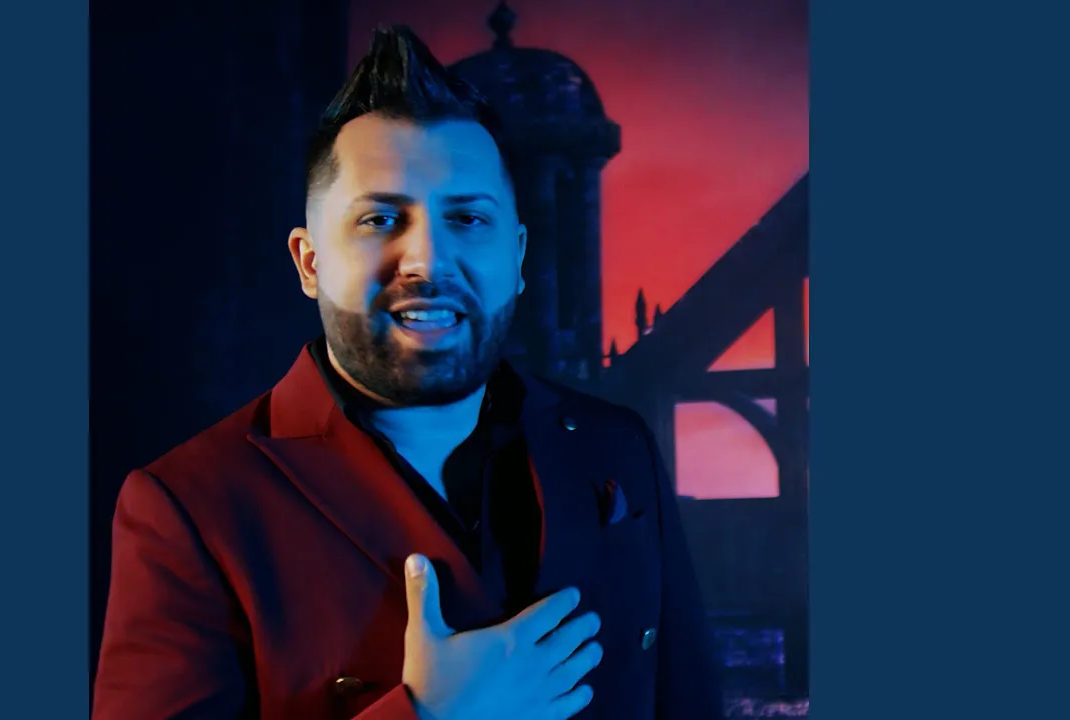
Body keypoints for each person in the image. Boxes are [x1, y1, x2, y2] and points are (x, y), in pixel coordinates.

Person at [93, 24, 723, 720]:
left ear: (516, 258)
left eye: (468, 219)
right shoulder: (189, 506)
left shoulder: (617, 446)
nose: (427, 261)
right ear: (309, 262)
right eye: (380, 220)